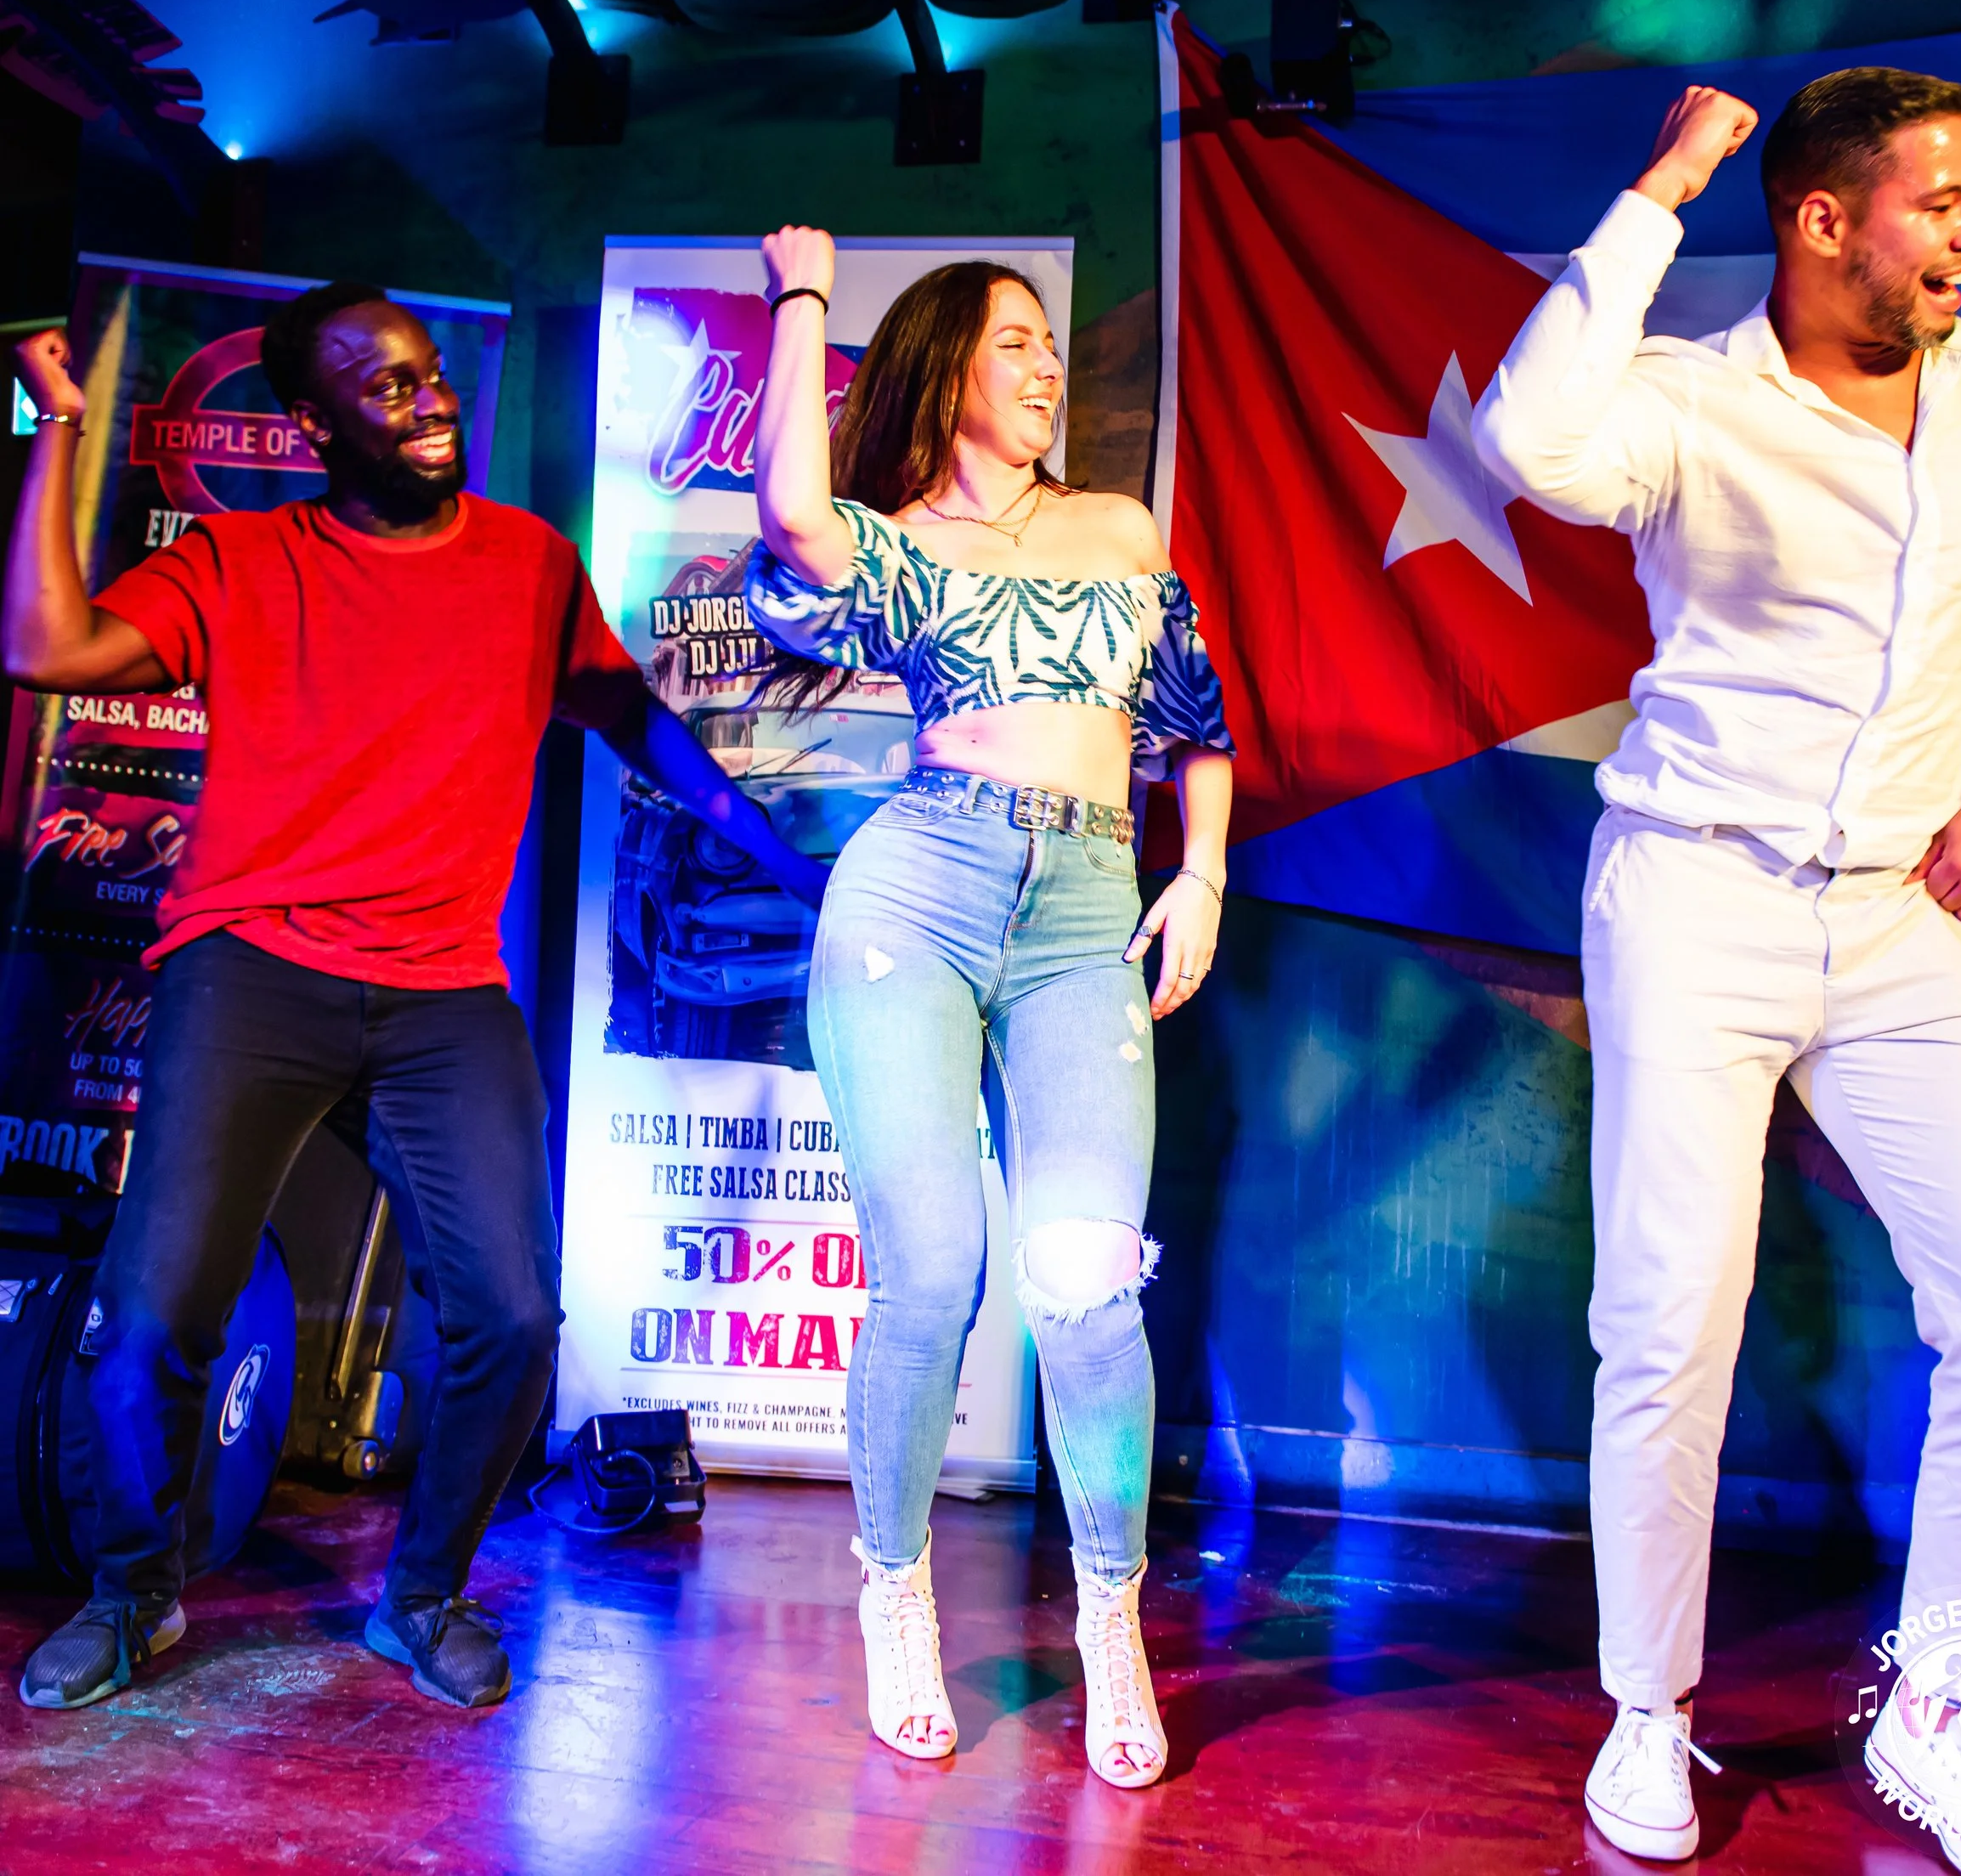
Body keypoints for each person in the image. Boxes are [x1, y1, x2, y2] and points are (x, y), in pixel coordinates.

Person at [1472, 70, 1961, 1872]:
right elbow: (1529, 438)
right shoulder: (1686, 401)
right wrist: (1669, 182)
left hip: (1909, 906)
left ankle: (1935, 1713)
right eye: (1939, 202)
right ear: (1821, 217)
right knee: (1666, 1322)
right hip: (1694, 894)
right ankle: (1646, 1715)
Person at [8, 286, 826, 1714]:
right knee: (148, 1323)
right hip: (252, 966)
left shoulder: (526, 564)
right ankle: (135, 1590)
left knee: (510, 1314)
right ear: (314, 423)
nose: (428, 399)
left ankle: (421, 1597)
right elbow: (47, 651)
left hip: (443, 989)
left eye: (430, 373)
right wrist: (62, 423)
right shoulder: (241, 558)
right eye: (383, 387)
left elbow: (637, 726)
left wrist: (791, 865)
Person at [743, 231, 1234, 1788]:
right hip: (917, 892)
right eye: (1016, 341)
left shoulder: (1116, 525)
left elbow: (1198, 724)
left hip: (1090, 901)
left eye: (1051, 344)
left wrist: (1202, 872)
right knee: (934, 1273)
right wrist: (800, 299)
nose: (1045, 366)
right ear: (952, 364)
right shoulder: (894, 543)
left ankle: (1109, 1619)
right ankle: (895, 1596)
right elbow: (792, 522)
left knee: (1086, 1288)